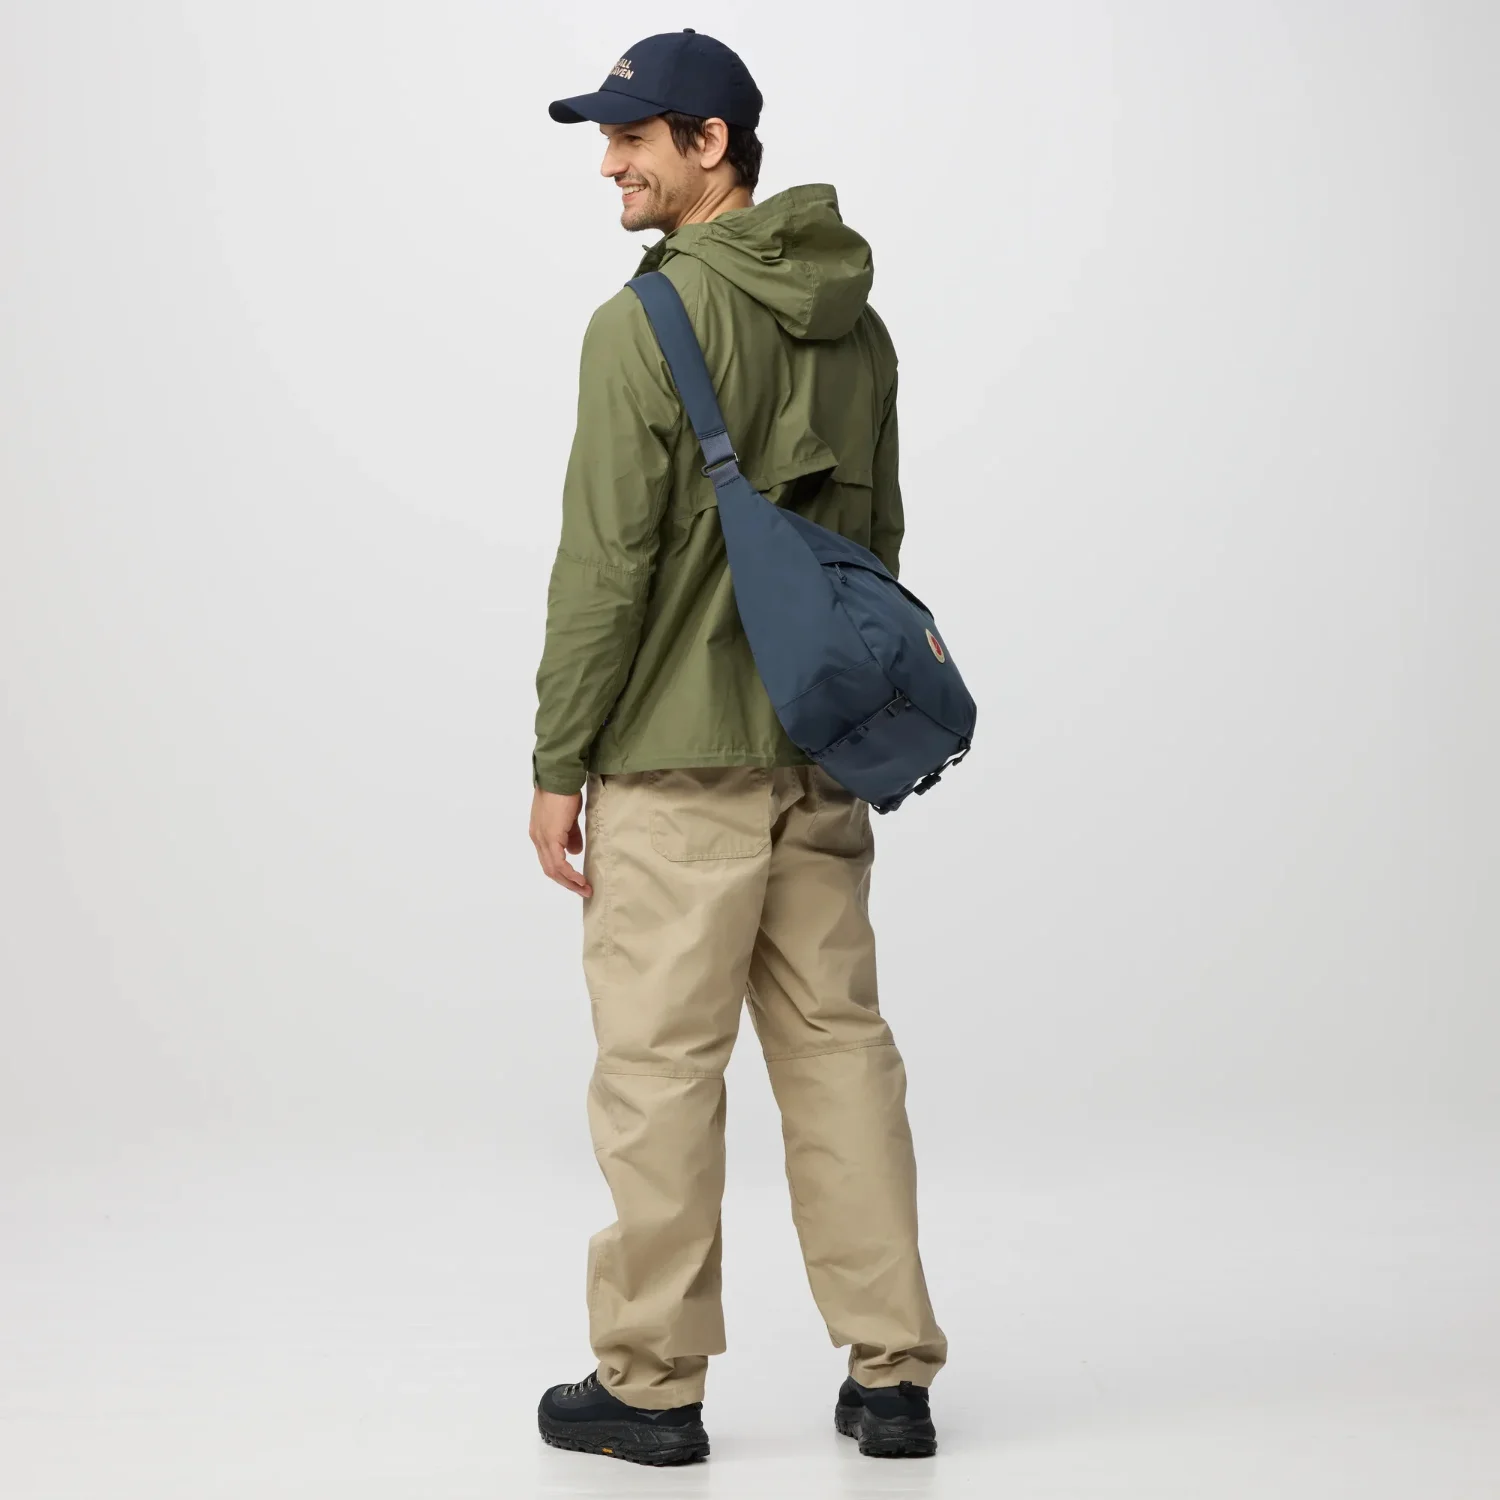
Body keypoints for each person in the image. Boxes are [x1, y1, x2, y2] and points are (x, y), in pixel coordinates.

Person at [528, 29, 947, 1468]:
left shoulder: (643, 323)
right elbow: (875, 551)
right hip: (821, 751)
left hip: (671, 757)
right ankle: (891, 1378)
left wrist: (558, 762)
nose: (610, 163)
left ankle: (651, 1387)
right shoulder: (858, 327)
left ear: (713, 145)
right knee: (840, 1052)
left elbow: (605, 570)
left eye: (634, 135)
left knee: (660, 1066)